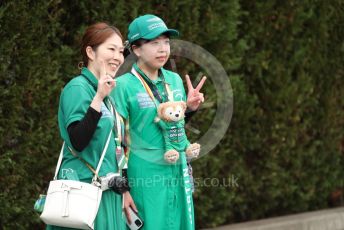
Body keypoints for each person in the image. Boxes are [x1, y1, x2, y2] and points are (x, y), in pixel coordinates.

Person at [112, 14, 206, 229]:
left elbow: (174, 126)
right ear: (136, 49)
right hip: (144, 173)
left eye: (166, 42)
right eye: (154, 43)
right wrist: (124, 186)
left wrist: (189, 109)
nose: (163, 49)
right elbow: (116, 140)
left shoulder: (173, 80)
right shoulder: (123, 85)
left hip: (177, 164)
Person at [47, 22, 135, 230]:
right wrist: (98, 97)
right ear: (90, 52)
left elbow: (114, 147)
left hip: (107, 192)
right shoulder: (77, 88)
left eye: (121, 52)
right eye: (111, 49)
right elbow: (78, 141)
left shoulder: (106, 94)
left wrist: (124, 190)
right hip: (82, 193)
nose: (118, 57)